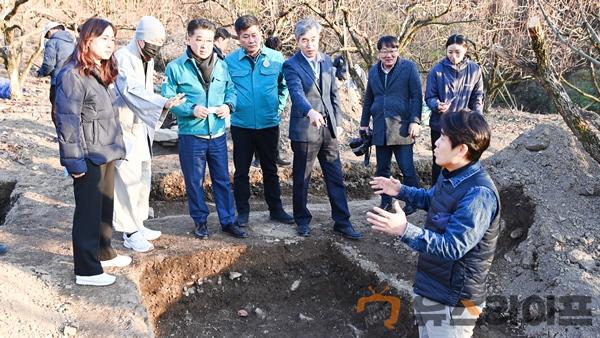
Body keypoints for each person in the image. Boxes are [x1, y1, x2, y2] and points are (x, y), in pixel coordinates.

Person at [368, 109, 500, 338]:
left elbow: (453, 246)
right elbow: (434, 200)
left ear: (461, 149)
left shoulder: (479, 194)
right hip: (431, 287)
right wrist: (400, 190)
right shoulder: (452, 174)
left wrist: (403, 229)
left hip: (453, 302)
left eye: (442, 138)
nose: (435, 143)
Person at [55, 18, 131, 287]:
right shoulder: (72, 75)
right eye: (104, 38)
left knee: (104, 207)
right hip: (87, 154)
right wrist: (73, 161)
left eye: (113, 38)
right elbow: (67, 121)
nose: (110, 44)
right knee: (88, 212)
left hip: (105, 150)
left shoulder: (96, 71)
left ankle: (103, 251)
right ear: (87, 40)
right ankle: (86, 270)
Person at [162, 18, 246, 239]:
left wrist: (228, 106)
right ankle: (200, 222)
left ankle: (228, 220)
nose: (204, 45)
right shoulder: (176, 68)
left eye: (209, 40)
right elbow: (168, 98)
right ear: (189, 39)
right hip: (192, 136)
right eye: (199, 39)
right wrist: (191, 109)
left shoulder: (222, 64)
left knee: (222, 180)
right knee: (194, 182)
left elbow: (231, 90)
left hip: (217, 134)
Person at [282, 17, 362, 240]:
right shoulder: (291, 65)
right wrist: (311, 112)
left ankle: (342, 222)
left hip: (329, 131)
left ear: (319, 39)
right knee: (302, 178)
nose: (310, 45)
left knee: (335, 176)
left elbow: (333, 94)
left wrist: (337, 123)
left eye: (313, 39)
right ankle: (302, 220)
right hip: (305, 130)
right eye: (305, 40)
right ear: (298, 41)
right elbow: (296, 94)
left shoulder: (327, 61)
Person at [113, 16, 186, 252]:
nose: (154, 52)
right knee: (126, 181)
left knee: (143, 176)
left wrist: (161, 100)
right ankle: (130, 232)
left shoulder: (147, 59)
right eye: (152, 47)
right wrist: (162, 103)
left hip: (141, 127)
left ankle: (139, 223)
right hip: (123, 128)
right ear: (141, 41)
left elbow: (145, 91)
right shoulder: (123, 57)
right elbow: (131, 90)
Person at [224, 15, 293, 227]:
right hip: (241, 125)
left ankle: (276, 209)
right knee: (242, 170)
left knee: (270, 169)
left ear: (261, 33)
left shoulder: (276, 58)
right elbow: (228, 89)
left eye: (254, 35)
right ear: (239, 38)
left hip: (268, 124)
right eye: (245, 37)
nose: (251, 40)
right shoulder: (230, 62)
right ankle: (242, 212)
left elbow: (284, 87)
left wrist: (278, 107)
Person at [360, 35, 422, 215]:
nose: (389, 55)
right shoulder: (373, 71)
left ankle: (414, 201)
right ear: (379, 53)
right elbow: (368, 98)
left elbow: (416, 96)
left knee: (407, 168)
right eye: (385, 51)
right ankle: (385, 201)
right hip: (380, 127)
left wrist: (415, 121)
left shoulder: (408, 68)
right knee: (382, 169)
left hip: (402, 127)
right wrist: (364, 123)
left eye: (393, 50)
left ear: (398, 51)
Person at [425, 34, 484, 183]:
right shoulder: (437, 70)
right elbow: (429, 97)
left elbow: (477, 97)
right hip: (441, 125)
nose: (453, 56)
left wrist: (477, 120)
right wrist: (436, 105)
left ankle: (458, 194)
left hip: (464, 126)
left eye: (457, 52)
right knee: (440, 161)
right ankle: (436, 196)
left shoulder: (475, 70)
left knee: (462, 162)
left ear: (465, 50)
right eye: (450, 52)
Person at [37, 21, 76, 126]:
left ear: (50, 31)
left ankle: (61, 135)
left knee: (56, 109)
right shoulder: (73, 41)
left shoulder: (52, 42)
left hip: (58, 81)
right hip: (75, 80)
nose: (48, 37)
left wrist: (41, 73)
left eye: (47, 35)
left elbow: (48, 65)